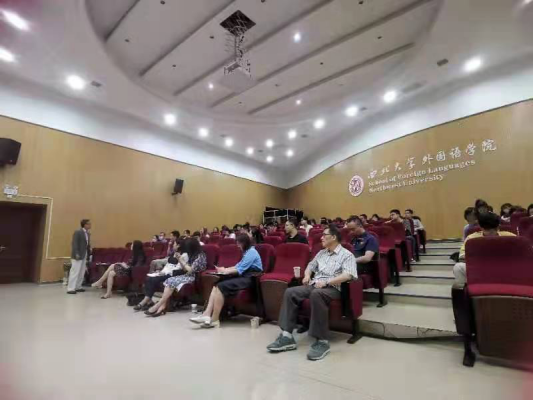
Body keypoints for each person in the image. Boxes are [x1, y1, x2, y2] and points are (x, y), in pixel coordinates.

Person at [267, 225, 357, 361]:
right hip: (315, 285)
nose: (321, 238)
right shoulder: (321, 253)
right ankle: (287, 336)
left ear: (333, 237)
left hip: (334, 288)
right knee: (290, 292)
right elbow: (311, 265)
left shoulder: (347, 255)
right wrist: (307, 275)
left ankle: (322, 341)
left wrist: (327, 282)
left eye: (324, 235)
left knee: (317, 294)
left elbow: (348, 275)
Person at [190, 234, 263, 329]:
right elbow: (237, 266)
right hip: (244, 276)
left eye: (239, 243)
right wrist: (224, 269)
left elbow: (239, 269)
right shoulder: (247, 252)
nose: (237, 245)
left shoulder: (252, 252)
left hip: (250, 279)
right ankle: (206, 314)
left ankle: (215, 320)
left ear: (245, 243)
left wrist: (225, 271)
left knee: (221, 286)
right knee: (216, 284)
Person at [145, 239, 207, 317]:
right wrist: (180, 260)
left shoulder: (200, 255)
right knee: (169, 280)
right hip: (187, 275)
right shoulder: (191, 254)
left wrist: (182, 260)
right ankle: (162, 306)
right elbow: (185, 269)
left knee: (171, 281)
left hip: (195, 277)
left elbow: (191, 270)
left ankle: (159, 305)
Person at [453, 212, 516, 285]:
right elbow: (462, 256)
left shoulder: (510, 237)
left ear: (498, 226)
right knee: (458, 267)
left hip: (504, 268)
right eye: (487, 229)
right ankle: (465, 290)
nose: (490, 233)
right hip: (480, 268)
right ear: (481, 227)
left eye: (493, 230)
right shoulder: (471, 238)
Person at [134, 241, 185, 311]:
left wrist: (165, 273)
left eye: (174, 244)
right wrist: (161, 271)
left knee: (153, 279)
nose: (173, 245)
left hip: (172, 274)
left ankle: (145, 301)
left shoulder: (183, 255)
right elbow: (168, 265)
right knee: (148, 278)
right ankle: (149, 300)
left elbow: (178, 268)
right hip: (166, 272)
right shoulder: (174, 253)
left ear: (178, 245)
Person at [67, 219, 92, 295]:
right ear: (85, 225)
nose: (90, 225)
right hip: (78, 255)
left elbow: (87, 244)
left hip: (84, 254)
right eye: (89, 224)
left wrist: (89, 252)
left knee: (82, 271)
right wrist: (76, 253)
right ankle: (70, 288)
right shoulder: (78, 232)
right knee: (75, 271)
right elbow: (74, 243)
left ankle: (78, 286)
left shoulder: (88, 233)